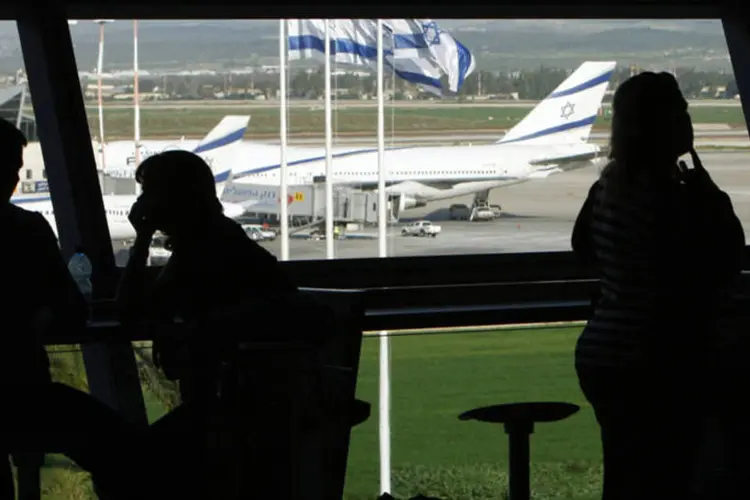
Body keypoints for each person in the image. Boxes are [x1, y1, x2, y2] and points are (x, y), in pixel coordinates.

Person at [116, 150, 332, 496]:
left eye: (149, 193)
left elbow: (130, 311)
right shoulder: (214, 241)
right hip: (245, 409)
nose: (143, 202)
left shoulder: (206, 249)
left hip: (233, 414)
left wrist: (142, 239)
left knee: (129, 468)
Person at [571, 72, 744, 500]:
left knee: (627, 477)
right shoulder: (674, 197)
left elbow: (582, 246)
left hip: (603, 355)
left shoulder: (608, 184)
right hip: (654, 360)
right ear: (670, 125)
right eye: (682, 110)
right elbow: (727, 257)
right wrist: (704, 184)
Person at [0, 118, 154, 499]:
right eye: (11, 169)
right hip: (20, 393)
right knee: (123, 451)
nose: (15, 180)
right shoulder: (26, 229)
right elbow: (70, 309)